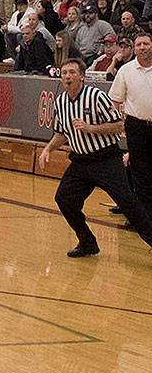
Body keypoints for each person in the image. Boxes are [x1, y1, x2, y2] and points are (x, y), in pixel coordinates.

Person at [40, 59, 152, 257]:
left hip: (105, 158)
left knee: (128, 202)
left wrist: (92, 129)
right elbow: (62, 133)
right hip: (80, 162)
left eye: (72, 72)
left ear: (82, 76)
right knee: (64, 199)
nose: (67, 76)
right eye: (64, 72)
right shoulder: (60, 102)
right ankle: (87, 242)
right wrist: (48, 149)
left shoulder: (96, 96)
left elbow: (119, 125)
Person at [110, 31, 152, 217]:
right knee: (140, 172)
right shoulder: (125, 71)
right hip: (136, 126)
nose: (142, 48)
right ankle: (143, 217)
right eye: (139, 45)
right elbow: (115, 102)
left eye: (146, 44)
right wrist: (117, 125)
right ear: (134, 49)